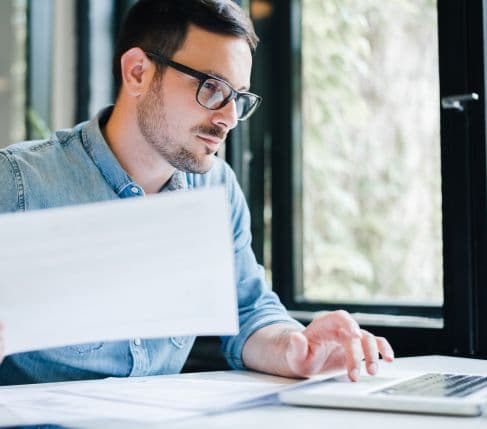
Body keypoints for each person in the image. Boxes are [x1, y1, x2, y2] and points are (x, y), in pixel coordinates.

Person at [0, 0, 393, 385]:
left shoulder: (216, 189)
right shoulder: (19, 184)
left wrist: (297, 348)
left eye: (238, 97)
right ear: (137, 72)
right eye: (211, 88)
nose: (228, 118)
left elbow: (248, 312)